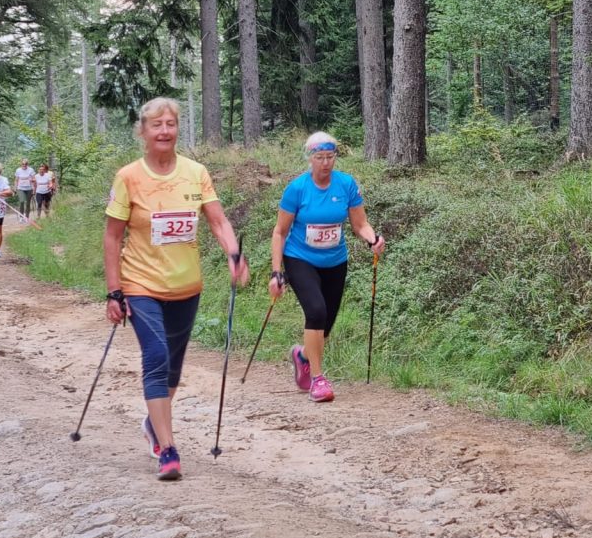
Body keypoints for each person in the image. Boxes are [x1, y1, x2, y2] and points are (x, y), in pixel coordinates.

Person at [104, 97, 250, 481]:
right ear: (143, 131)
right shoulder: (128, 177)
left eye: (170, 124)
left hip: (186, 285)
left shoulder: (195, 173)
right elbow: (112, 236)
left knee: (173, 368)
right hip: (140, 284)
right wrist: (114, 290)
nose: (165, 131)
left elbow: (217, 221)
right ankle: (168, 449)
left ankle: (153, 423)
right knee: (156, 356)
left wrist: (234, 254)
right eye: (157, 125)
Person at [268, 131, 385, 403]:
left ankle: (303, 356)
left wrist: (373, 239)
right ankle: (318, 379)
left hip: (335, 261)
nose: (325, 163)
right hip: (300, 258)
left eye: (330, 157)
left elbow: (360, 224)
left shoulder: (346, 185)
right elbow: (280, 232)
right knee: (316, 312)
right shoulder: (297, 189)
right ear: (310, 158)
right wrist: (276, 272)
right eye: (319, 157)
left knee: (326, 326)